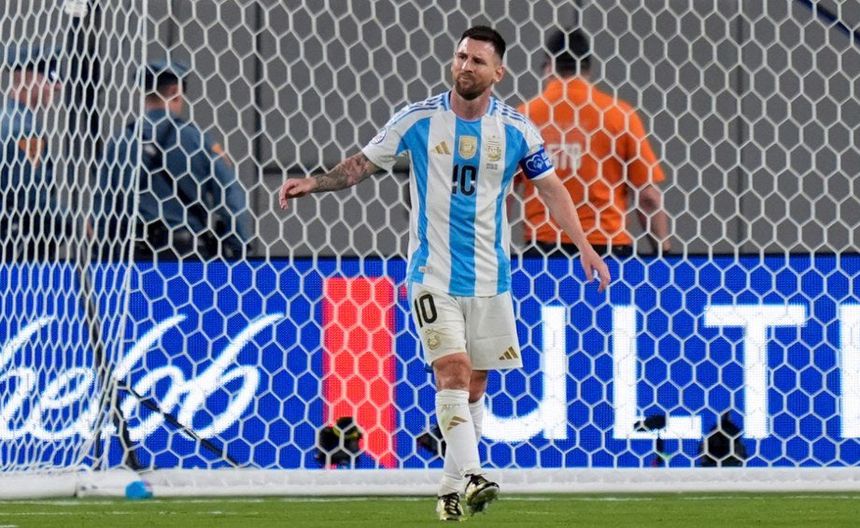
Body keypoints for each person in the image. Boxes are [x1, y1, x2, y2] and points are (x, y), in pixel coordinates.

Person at [279, 26, 610, 520]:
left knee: (474, 388)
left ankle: (450, 490)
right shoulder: (418, 120)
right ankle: (475, 475)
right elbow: (361, 165)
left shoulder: (517, 130)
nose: (465, 67)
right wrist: (314, 182)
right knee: (451, 371)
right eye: (461, 57)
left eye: (478, 61)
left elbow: (551, 189)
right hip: (432, 275)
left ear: (498, 73)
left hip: (491, 278)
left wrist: (583, 246)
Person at [516, 28, 671, 258]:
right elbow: (648, 198)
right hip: (607, 250)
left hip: (545, 253)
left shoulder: (524, 116)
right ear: (587, 68)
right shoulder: (619, 115)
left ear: (548, 66)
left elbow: (504, 191)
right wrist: (665, 253)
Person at [95, 60, 251, 260]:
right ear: (175, 91)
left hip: (135, 257)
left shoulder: (119, 141)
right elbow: (230, 196)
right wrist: (239, 247)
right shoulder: (198, 140)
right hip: (188, 256)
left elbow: (104, 205)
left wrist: (105, 254)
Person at [0, 45, 64, 261]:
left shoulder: (9, 121)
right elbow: (32, 199)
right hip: (15, 255)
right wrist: (75, 223)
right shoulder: (23, 130)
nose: (57, 86)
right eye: (51, 78)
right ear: (28, 77)